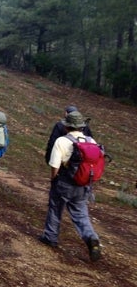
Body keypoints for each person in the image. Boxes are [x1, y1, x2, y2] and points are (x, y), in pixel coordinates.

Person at [38, 111, 102, 262]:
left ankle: (50, 237)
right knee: (81, 214)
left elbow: (54, 165)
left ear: (67, 126)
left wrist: (54, 179)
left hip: (65, 182)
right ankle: (91, 238)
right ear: (81, 126)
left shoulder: (62, 141)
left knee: (55, 208)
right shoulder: (90, 141)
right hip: (83, 184)